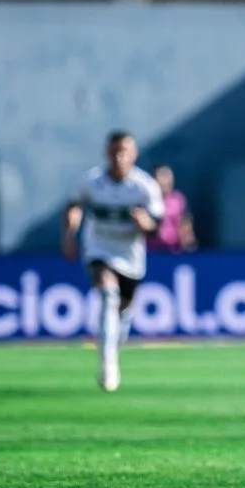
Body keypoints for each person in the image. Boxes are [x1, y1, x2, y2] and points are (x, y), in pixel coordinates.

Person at [62, 131, 164, 392]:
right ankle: (108, 364)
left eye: (125, 151)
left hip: (130, 256)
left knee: (123, 307)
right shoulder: (92, 181)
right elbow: (75, 205)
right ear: (107, 153)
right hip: (99, 249)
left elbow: (157, 225)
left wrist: (146, 224)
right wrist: (70, 233)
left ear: (134, 154)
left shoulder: (144, 186)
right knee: (108, 293)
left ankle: (119, 332)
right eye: (114, 151)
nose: (119, 157)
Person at [146, 164, 197, 253]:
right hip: (150, 253)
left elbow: (185, 225)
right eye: (162, 176)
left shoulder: (179, 199)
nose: (165, 181)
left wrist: (188, 246)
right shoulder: (145, 200)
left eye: (168, 176)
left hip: (173, 252)